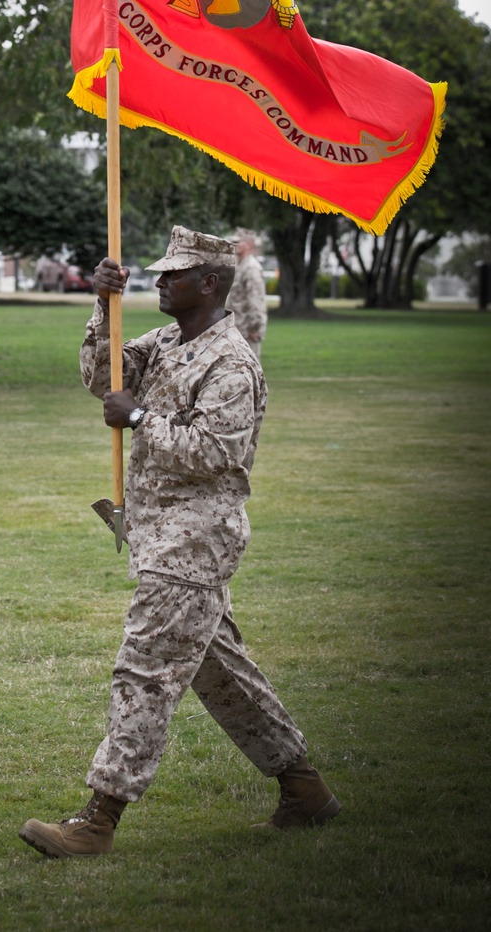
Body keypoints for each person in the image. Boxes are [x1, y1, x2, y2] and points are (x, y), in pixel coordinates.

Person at [19, 226, 339, 859]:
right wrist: (103, 305)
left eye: (175, 274)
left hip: (195, 545)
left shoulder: (231, 361)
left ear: (211, 283)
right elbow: (99, 376)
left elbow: (216, 454)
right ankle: (305, 792)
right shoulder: (166, 342)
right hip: (160, 536)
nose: (162, 282)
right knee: (224, 676)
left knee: (145, 670)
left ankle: (98, 820)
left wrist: (138, 418)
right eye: (159, 274)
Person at [228, 228, 268, 359]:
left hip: (248, 331)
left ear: (249, 244)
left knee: (250, 370)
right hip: (238, 329)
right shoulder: (240, 265)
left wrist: (255, 327)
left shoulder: (251, 268)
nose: (234, 245)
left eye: (238, 242)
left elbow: (256, 300)